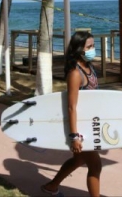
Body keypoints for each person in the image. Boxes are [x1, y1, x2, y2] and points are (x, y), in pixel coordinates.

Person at [41, 31, 101, 197]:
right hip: (80, 129)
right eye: (89, 47)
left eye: (93, 46)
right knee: (95, 166)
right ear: (79, 49)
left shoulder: (90, 68)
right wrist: (74, 136)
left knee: (79, 160)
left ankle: (51, 186)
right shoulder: (75, 73)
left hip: (89, 124)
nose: (92, 49)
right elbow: (71, 107)